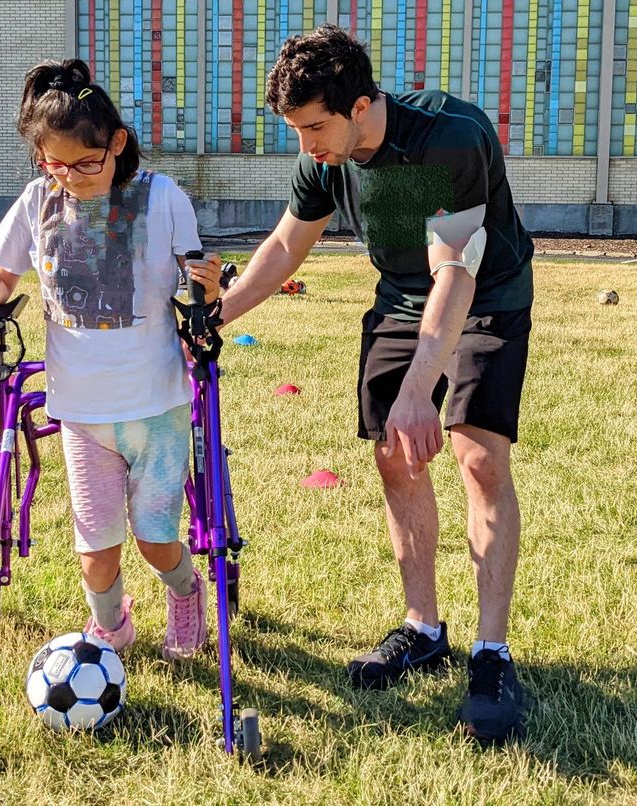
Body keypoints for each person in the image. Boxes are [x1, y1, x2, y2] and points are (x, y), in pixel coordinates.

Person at [218, 25, 534, 742]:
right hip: (400, 297)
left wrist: (424, 387)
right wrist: (212, 317)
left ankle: (492, 653)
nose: (307, 146)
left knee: (478, 458)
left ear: (362, 104)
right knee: (395, 454)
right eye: (295, 130)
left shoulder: (447, 138)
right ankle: (423, 631)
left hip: (486, 295)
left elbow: (455, 271)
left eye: (315, 127)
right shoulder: (328, 158)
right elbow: (283, 246)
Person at [0, 59, 223, 660]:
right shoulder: (37, 201)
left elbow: (195, 285)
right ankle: (113, 625)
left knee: (156, 540)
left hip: (156, 407)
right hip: (81, 411)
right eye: (56, 164)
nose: (73, 177)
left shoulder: (160, 198)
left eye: (87, 162)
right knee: (95, 548)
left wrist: (206, 286)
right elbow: (4, 277)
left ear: (117, 144)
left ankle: (186, 594)